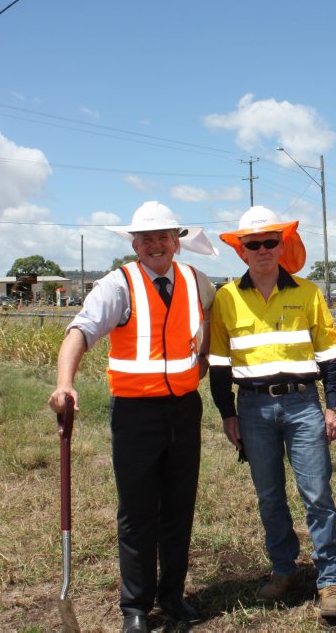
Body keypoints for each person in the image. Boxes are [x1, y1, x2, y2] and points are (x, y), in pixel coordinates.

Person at [46, 201, 217, 633]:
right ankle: (136, 606)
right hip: (135, 414)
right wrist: (65, 382)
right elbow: (79, 333)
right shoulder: (117, 285)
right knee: (138, 510)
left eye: (164, 237)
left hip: (183, 410)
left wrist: (200, 364)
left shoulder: (199, 283)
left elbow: (209, 328)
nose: (156, 245)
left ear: (177, 241)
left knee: (179, 506)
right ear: (135, 243)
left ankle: (173, 595)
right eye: (147, 239)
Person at [208, 206, 336, 619]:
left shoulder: (307, 293)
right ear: (242, 251)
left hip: (303, 403)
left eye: (271, 241)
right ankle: (283, 570)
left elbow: (330, 356)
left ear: (281, 245)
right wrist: (227, 414)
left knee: (317, 495)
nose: (263, 249)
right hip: (251, 408)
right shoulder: (226, 298)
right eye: (254, 243)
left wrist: (334, 405)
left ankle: (330, 580)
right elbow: (219, 364)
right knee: (269, 497)